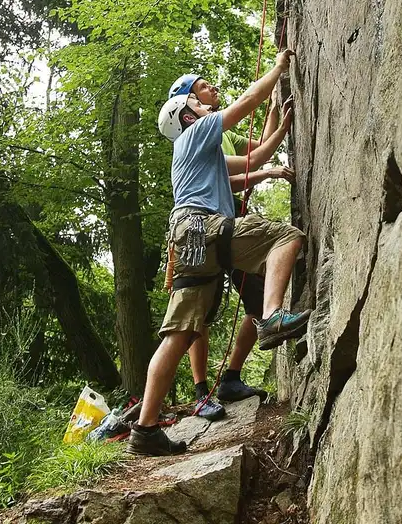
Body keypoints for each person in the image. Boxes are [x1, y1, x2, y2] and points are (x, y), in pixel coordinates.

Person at [126, 50, 310, 456]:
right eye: (195, 100)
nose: (202, 100)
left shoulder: (196, 151)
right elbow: (244, 103)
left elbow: (254, 161)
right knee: (286, 236)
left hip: (187, 234)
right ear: (187, 115)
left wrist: (281, 122)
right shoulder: (197, 132)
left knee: (182, 331)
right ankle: (273, 316)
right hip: (206, 226)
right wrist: (277, 69)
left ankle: (146, 429)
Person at [165, 74, 295, 421]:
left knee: (254, 299)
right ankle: (199, 390)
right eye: (204, 88)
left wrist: (273, 114)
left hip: (229, 222)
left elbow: (260, 151)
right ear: (187, 103)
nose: (213, 90)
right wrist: (271, 80)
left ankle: (231, 378)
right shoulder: (201, 133)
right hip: (206, 226)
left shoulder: (224, 134)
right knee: (198, 313)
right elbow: (247, 160)